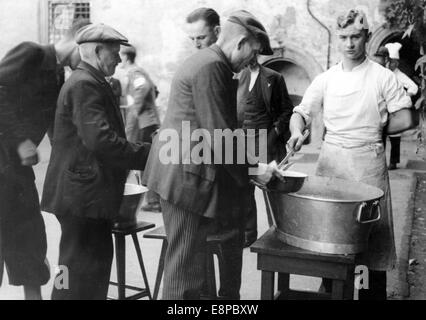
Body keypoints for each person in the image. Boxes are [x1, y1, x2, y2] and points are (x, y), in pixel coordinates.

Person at [142, 10, 281, 300]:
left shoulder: (209, 62)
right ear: (241, 42)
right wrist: (256, 171)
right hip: (185, 181)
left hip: (185, 176)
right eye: (252, 52)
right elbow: (220, 135)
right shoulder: (211, 66)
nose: (250, 61)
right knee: (184, 273)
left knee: (191, 267)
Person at [287, 9, 413, 300]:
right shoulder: (326, 79)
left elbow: (406, 118)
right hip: (332, 166)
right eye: (343, 37)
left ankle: (369, 294)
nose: (349, 43)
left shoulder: (383, 77)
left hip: (367, 163)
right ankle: (332, 291)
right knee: (331, 238)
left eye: (355, 36)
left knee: (370, 241)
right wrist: (296, 132)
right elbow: (301, 113)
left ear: (366, 37)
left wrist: (376, 129)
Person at [41, 24, 151, 300]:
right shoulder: (84, 84)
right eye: (114, 53)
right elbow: (101, 141)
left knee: (85, 270)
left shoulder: (90, 80)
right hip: (82, 199)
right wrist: (149, 154)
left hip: (85, 196)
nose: (117, 58)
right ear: (97, 51)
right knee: (74, 272)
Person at [0, 18, 90, 300]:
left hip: (16, 173)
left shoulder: (58, 76)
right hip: (3, 164)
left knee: (31, 243)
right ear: (77, 40)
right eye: (89, 50)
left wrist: (70, 159)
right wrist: (21, 141)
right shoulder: (31, 53)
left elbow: (55, 127)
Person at [237, 54, 293, 247]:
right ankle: (247, 234)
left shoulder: (273, 78)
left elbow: (287, 110)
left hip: (266, 141)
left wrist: (274, 134)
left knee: (272, 187)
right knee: (244, 189)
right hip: (242, 141)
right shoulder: (235, 77)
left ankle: (277, 232)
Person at [120, 45, 162, 212]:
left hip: (143, 123)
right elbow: (155, 90)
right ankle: (153, 200)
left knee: (131, 156)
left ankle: (149, 200)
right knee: (145, 160)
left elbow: (143, 88)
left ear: (125, 57)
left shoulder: (134, 72)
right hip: (147, 121)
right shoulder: (139, 71)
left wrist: (136, 111)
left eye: (120, 55)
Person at [385, 42, 419, 170]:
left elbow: (413, 86)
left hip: (396, 108)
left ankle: (393, 162)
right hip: (385, 107)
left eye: (393, 62)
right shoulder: (385, 73)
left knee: (395, 136)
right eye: (389, 61)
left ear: (397, 63)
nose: (390, 64)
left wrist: (406, 97)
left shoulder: (399, 75)